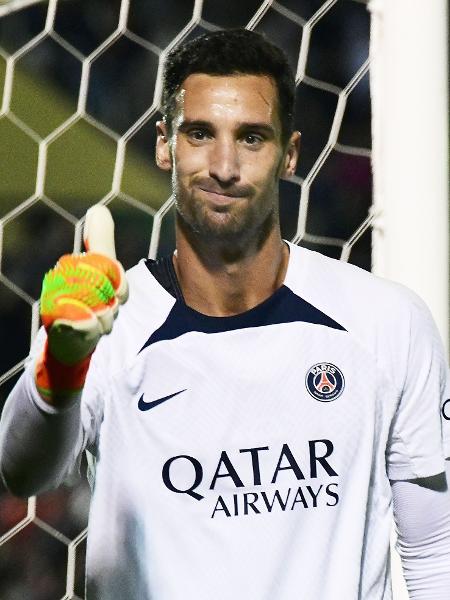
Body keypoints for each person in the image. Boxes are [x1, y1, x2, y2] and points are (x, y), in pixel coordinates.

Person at [0, 28, 449, 600]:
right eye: (200, 134)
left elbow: (435, 548)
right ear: (165, 144)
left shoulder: (385, 322)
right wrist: (62, 361)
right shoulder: (107, 319)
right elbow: (22, 472)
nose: (224, 165)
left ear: (290, 154)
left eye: (252, 138)